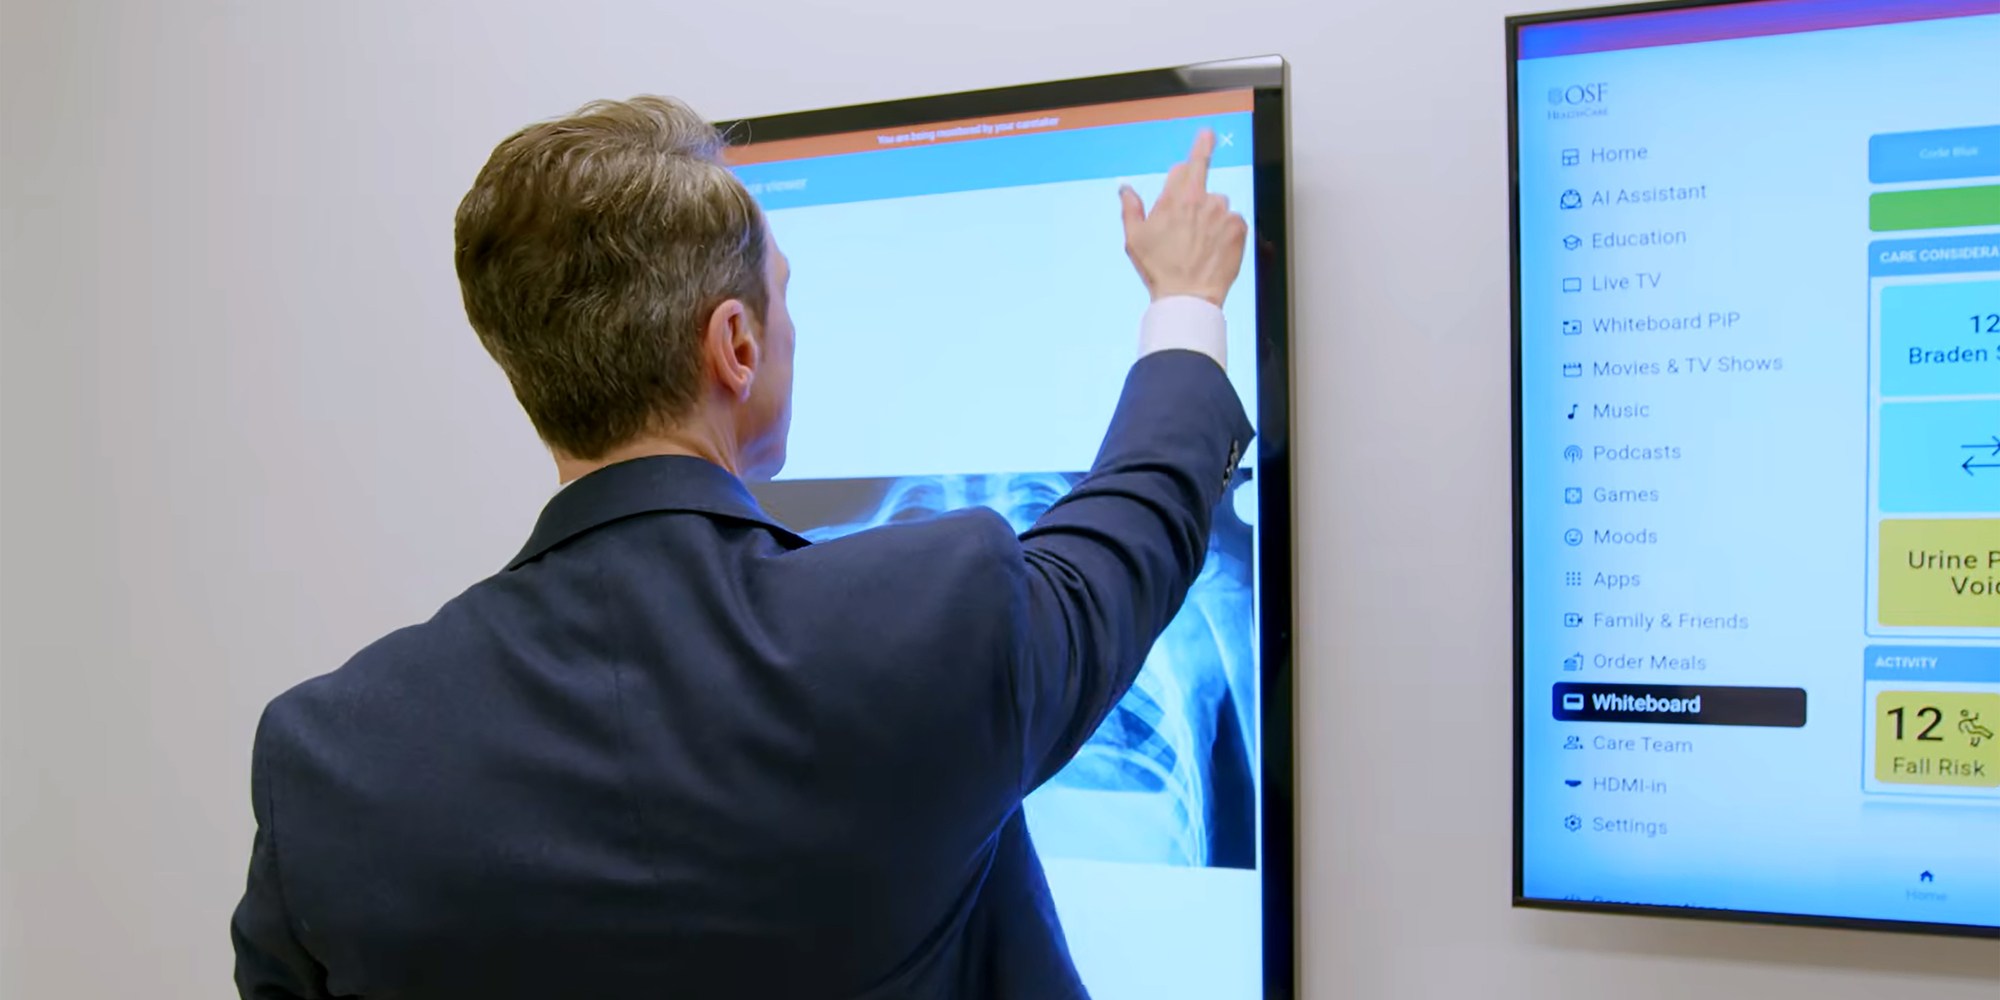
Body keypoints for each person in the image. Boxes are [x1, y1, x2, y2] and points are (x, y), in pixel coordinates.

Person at [230, 95, 1252, 1000]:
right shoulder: (927, 620)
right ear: (736, 344)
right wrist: (1186, 301)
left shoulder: (325, 756)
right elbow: (1128, 534)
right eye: (784, 291)